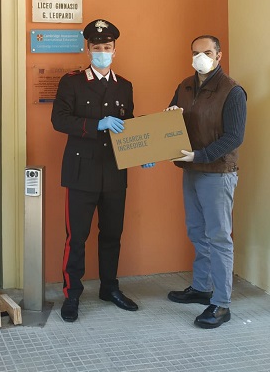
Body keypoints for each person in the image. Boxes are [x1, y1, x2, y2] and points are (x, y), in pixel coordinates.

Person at [51, 18, 151, 323]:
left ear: (115, 50)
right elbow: (59, 120)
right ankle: (72, 294)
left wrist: (145, 152)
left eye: (107, 47)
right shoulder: (72, 82)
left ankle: (109, 288)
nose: (102, 52)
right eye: (97, 47)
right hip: (81, 171)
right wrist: (97, 124)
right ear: (88, 49)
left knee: (112, 234)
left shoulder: (125, 86)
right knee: (76, 237)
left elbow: (129, 125)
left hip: (114, 171)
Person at [166, 35, 247, 329]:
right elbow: (170, 121)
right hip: (191, 169)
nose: (201, 57)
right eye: (196, 52)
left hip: (217, 172)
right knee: (197, 231)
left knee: (219, 237)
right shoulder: (185, 86)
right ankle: (202, 287)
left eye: (208, 52)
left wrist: (201, 155)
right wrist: (170, 117)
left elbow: (234, 137)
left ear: (219, 55)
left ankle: (222, 303)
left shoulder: (232, 91)